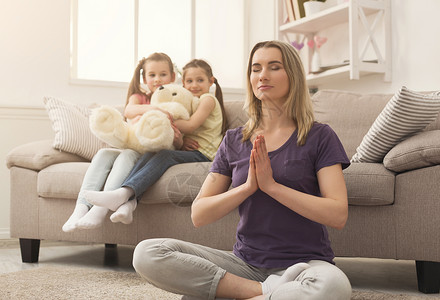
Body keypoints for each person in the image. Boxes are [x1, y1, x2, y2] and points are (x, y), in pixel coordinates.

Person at [131, 40, 353, 300]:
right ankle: (262, 292)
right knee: (148, 253)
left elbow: (337, 214)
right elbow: (199, 214)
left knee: (334, 287)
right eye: (256, 68)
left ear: (292, 75)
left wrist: (272, 187)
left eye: (274, 67)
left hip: (306, 266)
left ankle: (231, 293)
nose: (263, 75)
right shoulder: (234, 140)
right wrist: (247, 188)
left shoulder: (319, 136)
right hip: (244, 265)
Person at [83, 59, 228, 223]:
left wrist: (162, 118)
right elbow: (182, 133)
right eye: (189, 81)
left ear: (211, 81)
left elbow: (190, 126)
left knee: (165, 156)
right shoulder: (190, 101)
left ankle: (124, 193)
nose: (194, 85)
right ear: (183, 84)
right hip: (190, 151)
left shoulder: (208, 99)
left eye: (200, 80)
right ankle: (128, 202)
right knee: (150, 156)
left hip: (205, 154)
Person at [62, 52, 179, 232]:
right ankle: (81, 207)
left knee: (127, 156)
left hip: (148, 153)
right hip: (132, 145)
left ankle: (101, 209)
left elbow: (177, 134)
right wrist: (154, 109)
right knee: (103, 153)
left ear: (172, 76)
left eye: (163, 74)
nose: (157, 80)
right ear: (144, 77)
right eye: (152, 75)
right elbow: (129, 110)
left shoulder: (175, 99)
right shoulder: (139, 97)